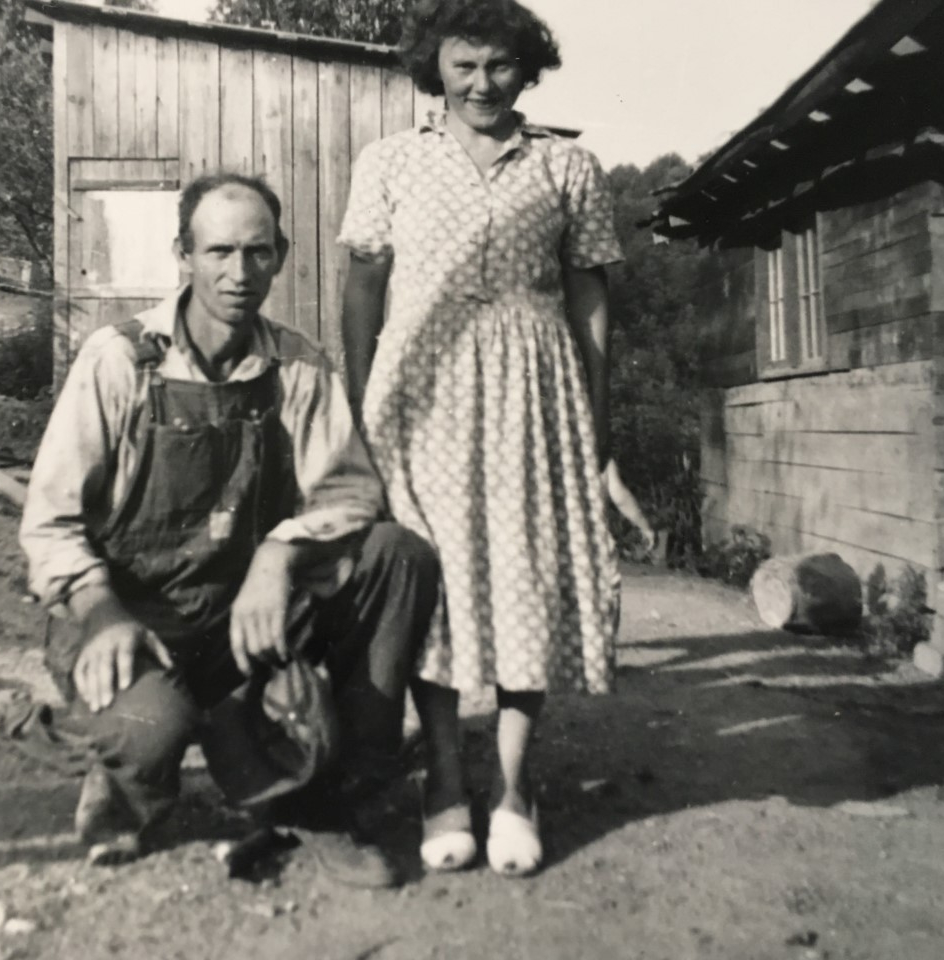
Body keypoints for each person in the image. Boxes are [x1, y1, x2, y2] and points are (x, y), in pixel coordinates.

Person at [19, 172, 440, 888]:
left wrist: (279, 554)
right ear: (182, 254)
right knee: (151, 726)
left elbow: (351, 493)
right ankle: (127, 788)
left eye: (257, 252)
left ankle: (329, 793)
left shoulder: (297, 365)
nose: (238, 273)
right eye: (218, 252)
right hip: (135, 616)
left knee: (397, 557)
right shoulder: (119, 360)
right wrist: (102, 614)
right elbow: (50, 524)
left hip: (244, 620)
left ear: (279, 255)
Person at [338, 0, 623, 878]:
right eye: (463, 65)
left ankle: (512, 787)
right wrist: (359, 412)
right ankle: (444, 781)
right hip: (418, 391)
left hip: (534, 390)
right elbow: (362, 290)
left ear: (526, 69)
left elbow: (590, 301)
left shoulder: (569, 166)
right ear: (436, 68)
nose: (481, 84)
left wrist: (599, 423)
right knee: (433, 579)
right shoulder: (390, 160)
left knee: (526, 573)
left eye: (499, 66)